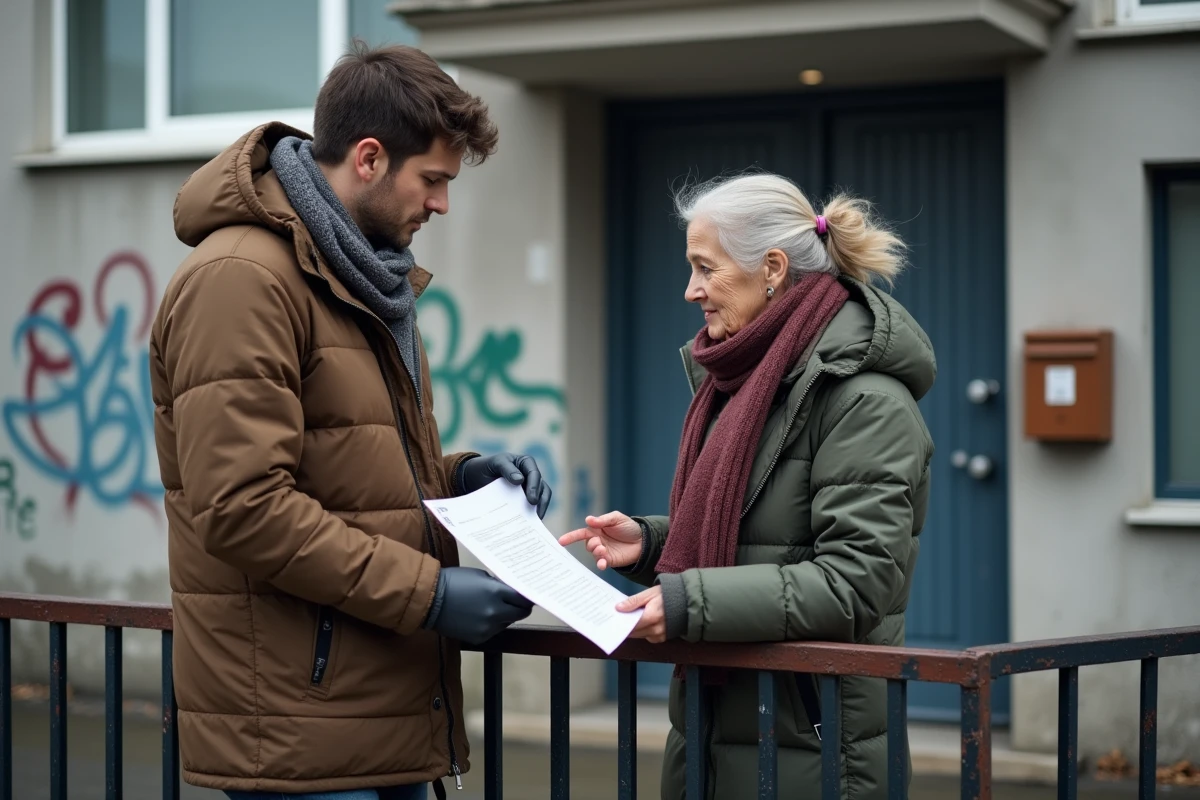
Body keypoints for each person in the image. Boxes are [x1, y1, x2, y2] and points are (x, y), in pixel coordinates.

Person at [149, 42, 552, 800]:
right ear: (368, 158)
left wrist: (462, 475)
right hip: (301, 730)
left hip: (378, 711)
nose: (441, 204)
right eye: (432, 180)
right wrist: (431, 595)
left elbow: (349, 463)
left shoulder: (361, 273)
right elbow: (242, 507)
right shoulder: (242, 279)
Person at [562, 173, 935, 799]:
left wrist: (688, 602)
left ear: (772, 268)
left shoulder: (866, 401)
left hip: (815, 748)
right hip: (720, 735)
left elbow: (855, 583)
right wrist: (654, 545)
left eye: (705, 268)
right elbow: (753, 540)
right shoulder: (746, 382)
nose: (691, 291)